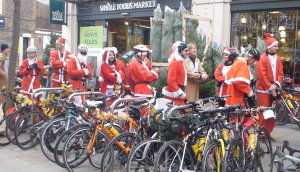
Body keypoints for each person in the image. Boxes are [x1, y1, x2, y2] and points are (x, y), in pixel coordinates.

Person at [256, 33, 284, 142]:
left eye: (277, 46)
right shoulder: (262, 58)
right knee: (264, 112)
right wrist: (270, 88)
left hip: (274, 89)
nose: (277, 48)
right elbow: (261, 75)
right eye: (275, 46)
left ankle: (268, 133)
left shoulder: (278, 59)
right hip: (263, 90)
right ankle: (261, 134)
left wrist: (276, 85)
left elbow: (281, 74)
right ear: (269, 46)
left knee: (272, 113)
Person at [162, 41, 188, 105]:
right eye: (186, 51)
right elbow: (170, 80)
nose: (188, 52)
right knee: (180, 113)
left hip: (178, 92)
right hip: (174, 93)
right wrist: (180, 93)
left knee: (183, 113)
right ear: (180, 51)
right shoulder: (175, 63)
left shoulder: (180, 62)